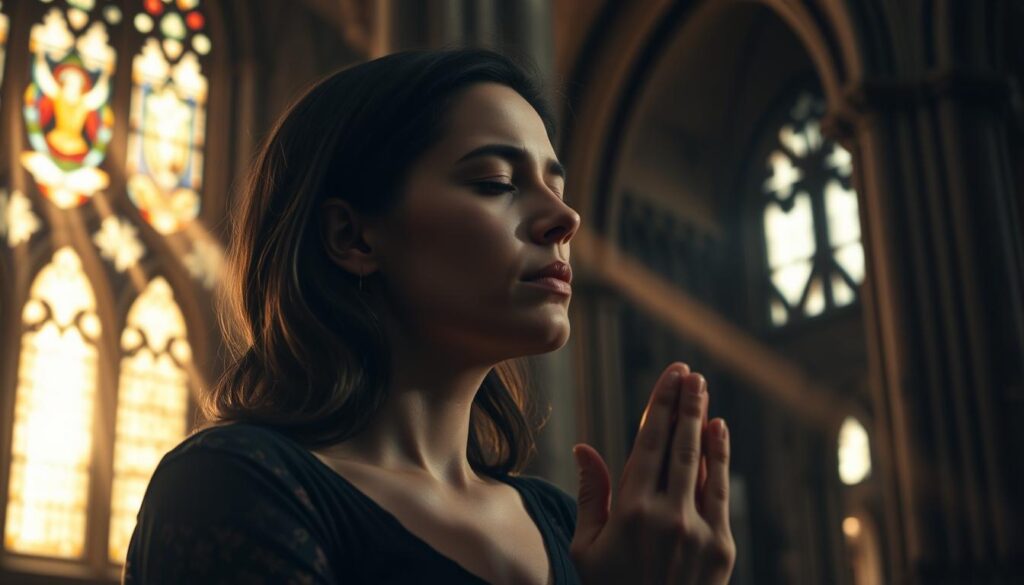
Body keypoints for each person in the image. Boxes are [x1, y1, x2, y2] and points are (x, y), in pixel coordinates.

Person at [122, 47, 735, 585]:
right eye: (496, 181)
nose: (565, 219)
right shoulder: (235, 486)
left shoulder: (568, 525)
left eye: (557, 186)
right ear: (352, 237)